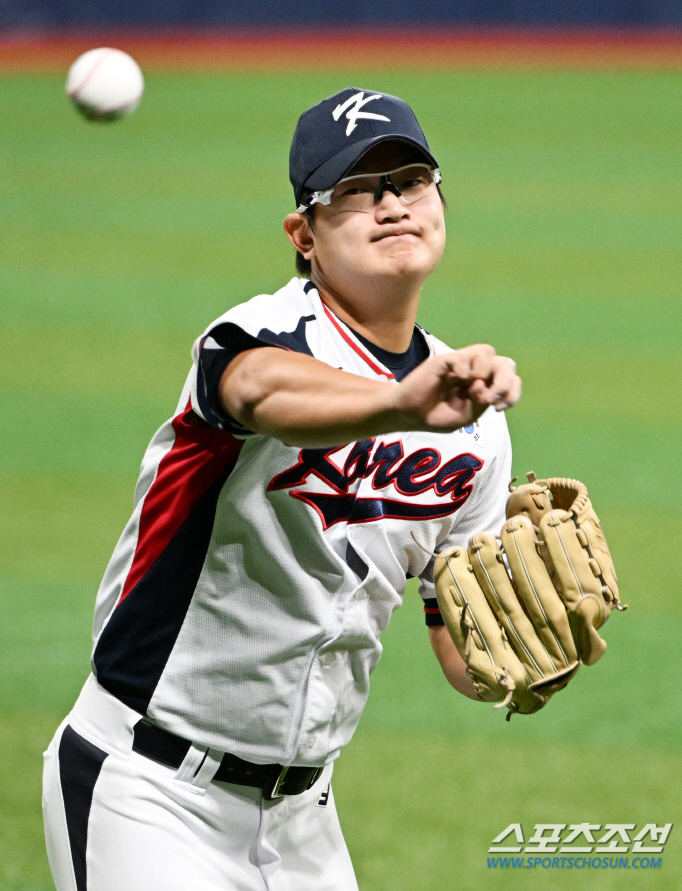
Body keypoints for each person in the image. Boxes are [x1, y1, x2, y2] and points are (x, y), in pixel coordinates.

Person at [42, 87, 521, 891]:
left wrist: (523, 664)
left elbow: (463, 651)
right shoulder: (258, 336)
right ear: (304, 235)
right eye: (357, 191)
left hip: (304, 821)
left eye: (410, 179)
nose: (391, 203)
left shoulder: (474, 423)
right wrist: (401, 402)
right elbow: (265, 394)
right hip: (150, 791)